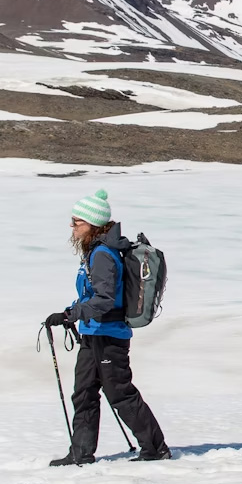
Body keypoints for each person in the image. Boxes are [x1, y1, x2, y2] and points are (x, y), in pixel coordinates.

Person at [43, 189, 170, 466]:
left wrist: (71, 314)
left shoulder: (102, 254)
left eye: (77, 221)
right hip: (93, 334)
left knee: (120, 393)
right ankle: (81, 452)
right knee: (84, 393)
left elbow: (104, 299)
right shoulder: (95, 252)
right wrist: (70, 312)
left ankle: (155, 448)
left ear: (93, 224)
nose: (72, 226)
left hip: (109, 335)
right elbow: (91, 296)